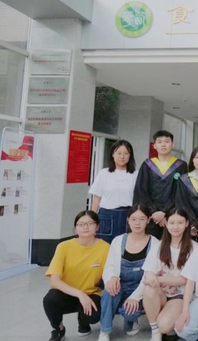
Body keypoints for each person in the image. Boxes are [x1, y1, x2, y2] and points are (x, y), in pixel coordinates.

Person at [43, 211, 110, 341]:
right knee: (50, 299)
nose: (85, 227)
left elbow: (109, 275)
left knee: (94, 315)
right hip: (67, 293)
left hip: (91, 293)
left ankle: (83, 320)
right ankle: (58, 329)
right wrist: (80, 294)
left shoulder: (105, 248)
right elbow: (54, 281)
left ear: (97, 227)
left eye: (90, 223)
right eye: (81, 224)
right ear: (75, 228)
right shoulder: (63, 247)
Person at [98, 205, 159, 341]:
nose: (137, 223)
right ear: (128, 220)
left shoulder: (155, 243)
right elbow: (110, 265)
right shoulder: (118, 240)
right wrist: (112, 277)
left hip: (140, 287)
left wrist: (135, 297)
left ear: (148, 220)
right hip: (120, 284)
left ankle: (131, 320)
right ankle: (104, 331)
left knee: (130, 312)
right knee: (108, 292)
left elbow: (150, 274)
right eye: (133, 219)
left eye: (142, 219)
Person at [142, 208, 198, 341]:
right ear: (166, 223)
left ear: (186, 224)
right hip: (161, 293)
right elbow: (149, 272)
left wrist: (158, 279)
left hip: (179, 295)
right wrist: (151, 277)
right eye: (172, 223)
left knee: (164, 326)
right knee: (149, 288)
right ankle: (155, 331)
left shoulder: (195, 248)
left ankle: (167, 321)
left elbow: (184, 280)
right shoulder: (159, 246)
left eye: (180, 223)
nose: (176, 227)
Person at [134, 130, 188, 239]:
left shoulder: (180, 165)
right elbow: (142, 190)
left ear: (172, 144)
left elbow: (181, 192)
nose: (163, 145)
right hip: (151, 217)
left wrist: (164, 212)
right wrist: (154, 212)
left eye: (167, 141)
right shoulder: (147, 165)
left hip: (172, 217)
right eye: (159, 142)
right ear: (154, 146)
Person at [90, 140, 138, 243]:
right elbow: (96, 198)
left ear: (130, 155)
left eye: (126, 153)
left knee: (126, 246)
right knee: (105, 247)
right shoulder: (104, 173)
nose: (122, 156)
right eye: (119, 153)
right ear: (112, 154)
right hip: (106, 215)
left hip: (128, 215)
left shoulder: (135, 174)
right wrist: (92, 220)